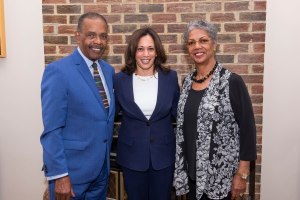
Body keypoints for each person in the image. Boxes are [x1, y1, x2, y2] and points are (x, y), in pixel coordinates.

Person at [173, 20, 257, 200]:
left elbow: (248, 130)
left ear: (214, 44)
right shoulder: (187, 83)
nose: (197, 46)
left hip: (221, 180)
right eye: (191, 42)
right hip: (192, 177)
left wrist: (241, 175)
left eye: (203, 40)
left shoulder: (231, 82)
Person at [40, 12, 115, 200]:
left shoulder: (108, 71)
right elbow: (52, 130)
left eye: (103, 36)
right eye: (91, 35)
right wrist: (59, 175)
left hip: (101, 173)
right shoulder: (58, 72)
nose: (98, 41)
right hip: (72, 176)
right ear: (78, 36)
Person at [114, 27, 180, 200]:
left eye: (150, 48)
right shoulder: (120, 80)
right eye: (140, 49)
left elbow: (178, 115)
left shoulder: (170, 78)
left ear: (157, 52)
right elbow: (110, 114)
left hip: (163, 156)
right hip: (131, 156)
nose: (146, 54)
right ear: (133, 52)